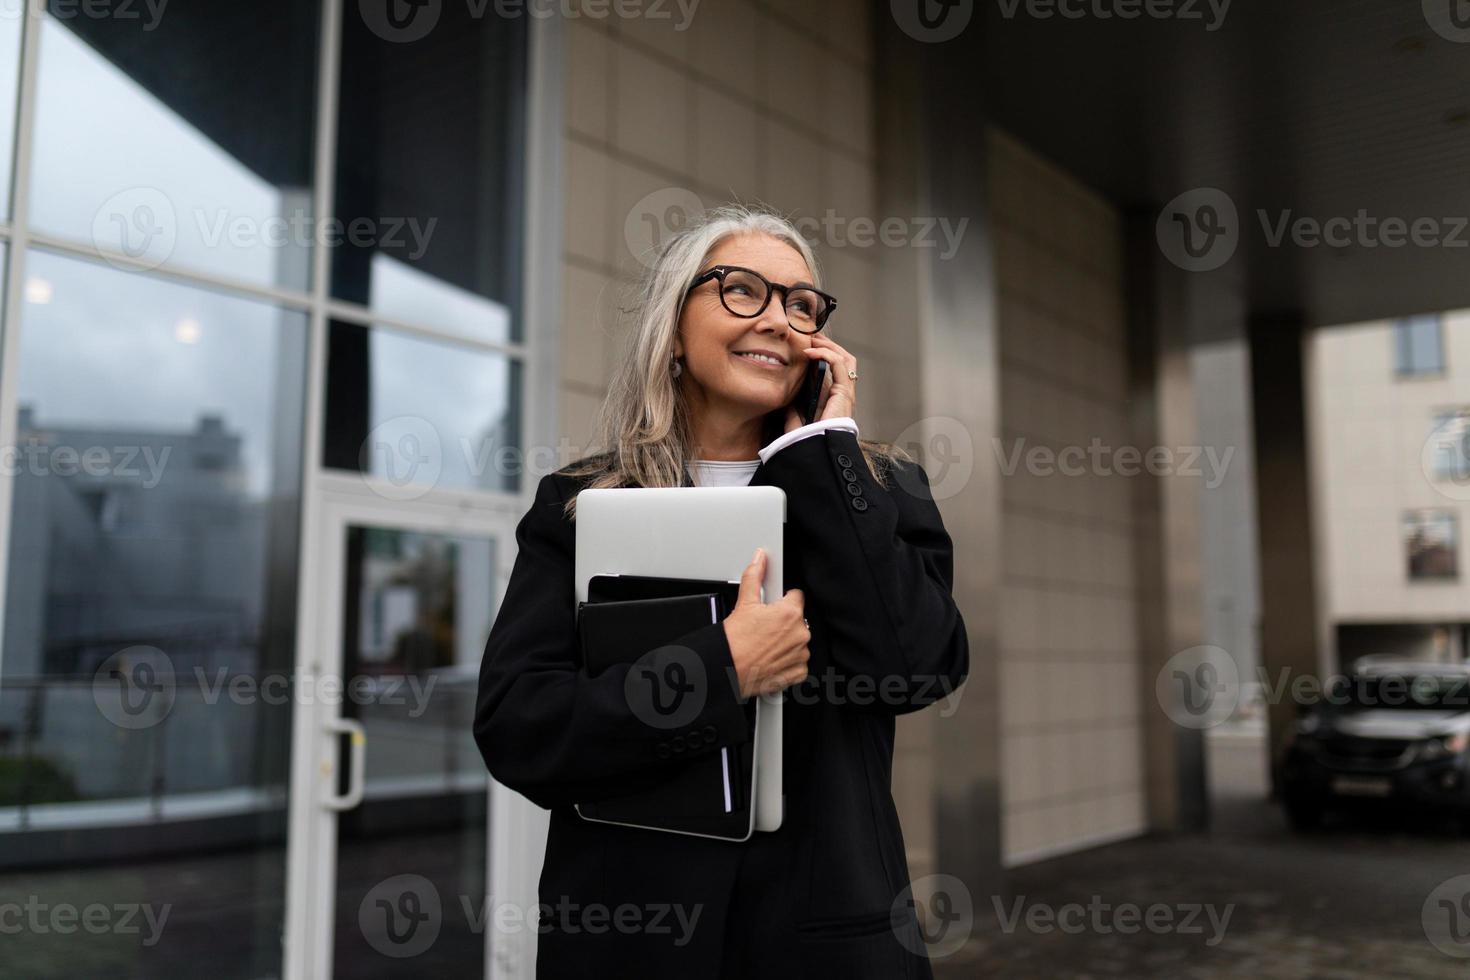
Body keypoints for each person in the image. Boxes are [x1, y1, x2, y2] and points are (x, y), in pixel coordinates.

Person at [474, 204, 969, 978]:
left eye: (800, 303)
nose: (778, 319)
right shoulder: (580, 501)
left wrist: (818, 454)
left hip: (824, 942)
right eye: (742, 290)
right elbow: (520, 727)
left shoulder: (873, 486)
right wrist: (720, 669)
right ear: (673, 328)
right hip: (629, 940)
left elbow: (920, 662)